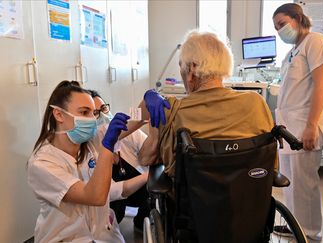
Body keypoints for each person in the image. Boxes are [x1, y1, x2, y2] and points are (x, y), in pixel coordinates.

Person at [142, 30, 275, 177]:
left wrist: (154, 129)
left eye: (181, 65)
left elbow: (146, 158)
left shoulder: (171, 110)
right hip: (247, 196)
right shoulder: (256, 103)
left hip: (192, 199)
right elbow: (271, 161)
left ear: (191, 69)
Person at [27, 81, 129, 242]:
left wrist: (149, 98)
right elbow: (95, 197)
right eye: (84, 112)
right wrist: (107, 147)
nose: (92, 119)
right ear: (59, 115)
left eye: (93, 113)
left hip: (103, 235)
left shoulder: (87, 145)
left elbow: (135, 122)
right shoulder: (42, 163)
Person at [272, 3, 323, 242]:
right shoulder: (292, 52)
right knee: (291, 184)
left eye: (282, 24)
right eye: (276, 27)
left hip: (305, 126)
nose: (279, 31)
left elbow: (322, 85)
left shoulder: (316, 41)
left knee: (304, 185)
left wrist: (310, 125)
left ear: (298, 18)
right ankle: (295, 225)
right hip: (290, 129)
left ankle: (310, 233)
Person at [89, 89, 158, 231]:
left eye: (104, 108)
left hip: (139, 189)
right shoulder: (90, 145)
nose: (102, 115)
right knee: (114, 212)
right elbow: (110, 192)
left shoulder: (124, 131)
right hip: (113, 196)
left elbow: (137, 119)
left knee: (154, 194)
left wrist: (148, 100)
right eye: (95, 113)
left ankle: (141, 222)